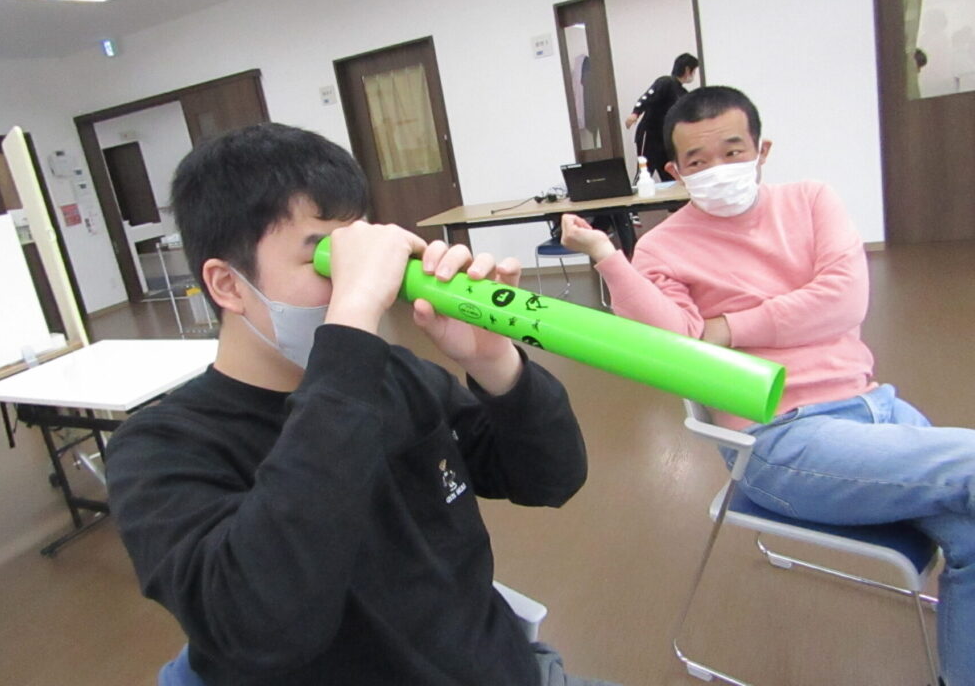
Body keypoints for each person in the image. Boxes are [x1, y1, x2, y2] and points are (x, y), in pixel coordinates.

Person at [105, 123, 619, 686]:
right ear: (227, 285)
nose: (370, 282)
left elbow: (552, 479)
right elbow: (261, 626)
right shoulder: (159, 449)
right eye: (327, 259)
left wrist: (494, 362)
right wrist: (350, 323)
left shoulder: (396, 376)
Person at [562, 86, 974, 686]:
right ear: (676, 172)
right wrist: (607, 254)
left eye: (733, 151)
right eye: (698, 161)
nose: (718, 169)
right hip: (779, 439)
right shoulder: (662, 247)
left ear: (762, 150)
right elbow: (678, 346)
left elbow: (844, 300)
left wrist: (730, 327)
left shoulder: (811, 200)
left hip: (875, 406)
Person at [624, 53, 699, 181]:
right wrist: (635, 113)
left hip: (665, 138)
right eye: (694, 70)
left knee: (670, 174)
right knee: (644, 172)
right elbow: (647, 97)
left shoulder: (682, 93)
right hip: (650, 135)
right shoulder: (665, 82)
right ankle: (637, 194)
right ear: (687, 70)